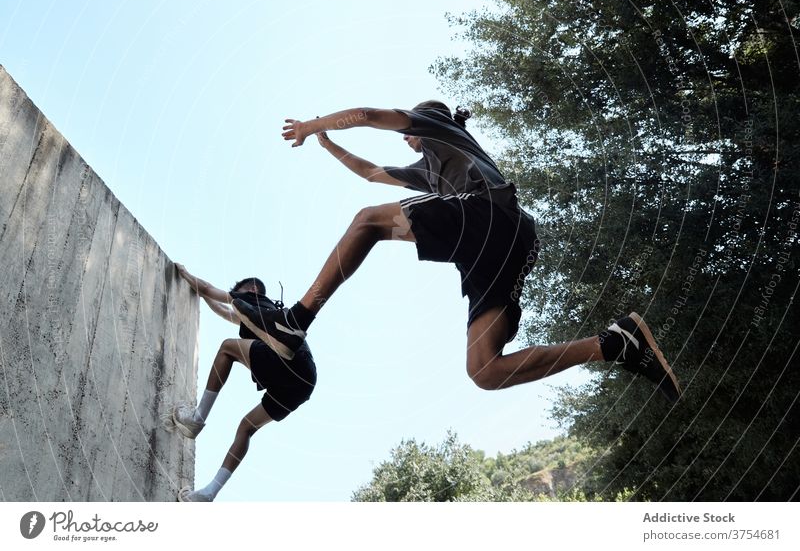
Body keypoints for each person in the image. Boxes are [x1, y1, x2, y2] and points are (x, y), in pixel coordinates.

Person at [231, 101, 680, 402]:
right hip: (502, 247)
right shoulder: (429, 172)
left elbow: (369, 114)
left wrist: (314, 125)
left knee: (368, 220)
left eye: (409, 134)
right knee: (485, 371)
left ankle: (296, 321)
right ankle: (614, 344)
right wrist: (329, 145)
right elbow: (369, 172)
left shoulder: (439, 128)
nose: (406, 139)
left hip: (487, 213)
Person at [167, 264, 316, 502]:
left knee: (227, 348)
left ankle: (197, 418)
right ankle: (208, 494)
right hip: (303, 383)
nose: (235, 294)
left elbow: (209, 288)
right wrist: (203, 293)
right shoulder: (261, 315)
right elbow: (221, 309)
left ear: (253, 289)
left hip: (288, 360)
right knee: (246, 427)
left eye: (238, 291)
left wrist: (184, 273)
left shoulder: (254, 299)